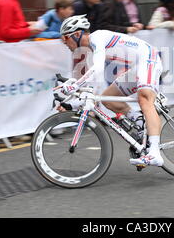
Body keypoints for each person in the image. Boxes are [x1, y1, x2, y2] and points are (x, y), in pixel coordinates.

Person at [58, 15, 164, 167]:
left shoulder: (96, 38)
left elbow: (98, 70)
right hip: (136, 68)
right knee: (107, 99)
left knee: (144, 99)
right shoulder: (88, 50)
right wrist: (72, 102)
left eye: (65, 37)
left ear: (76, 34)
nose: (64, 42)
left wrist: (73, 87)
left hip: (148, 58)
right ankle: (140, 124)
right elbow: (91, 85)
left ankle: (154, 153)